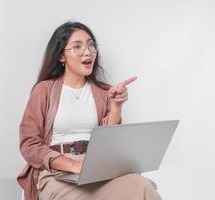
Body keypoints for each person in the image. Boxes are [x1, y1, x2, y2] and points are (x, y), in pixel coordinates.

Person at [17, 21, 162, 200]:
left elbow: (111, 143)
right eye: (77, 47)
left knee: (142, 186)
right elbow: (29, 144)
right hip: (57, 171)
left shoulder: (103, 91)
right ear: (61, 56)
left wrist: (116, 107)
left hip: (97, 169)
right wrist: (73, 165)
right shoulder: (44, 90)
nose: (88, 52)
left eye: (91, 45)